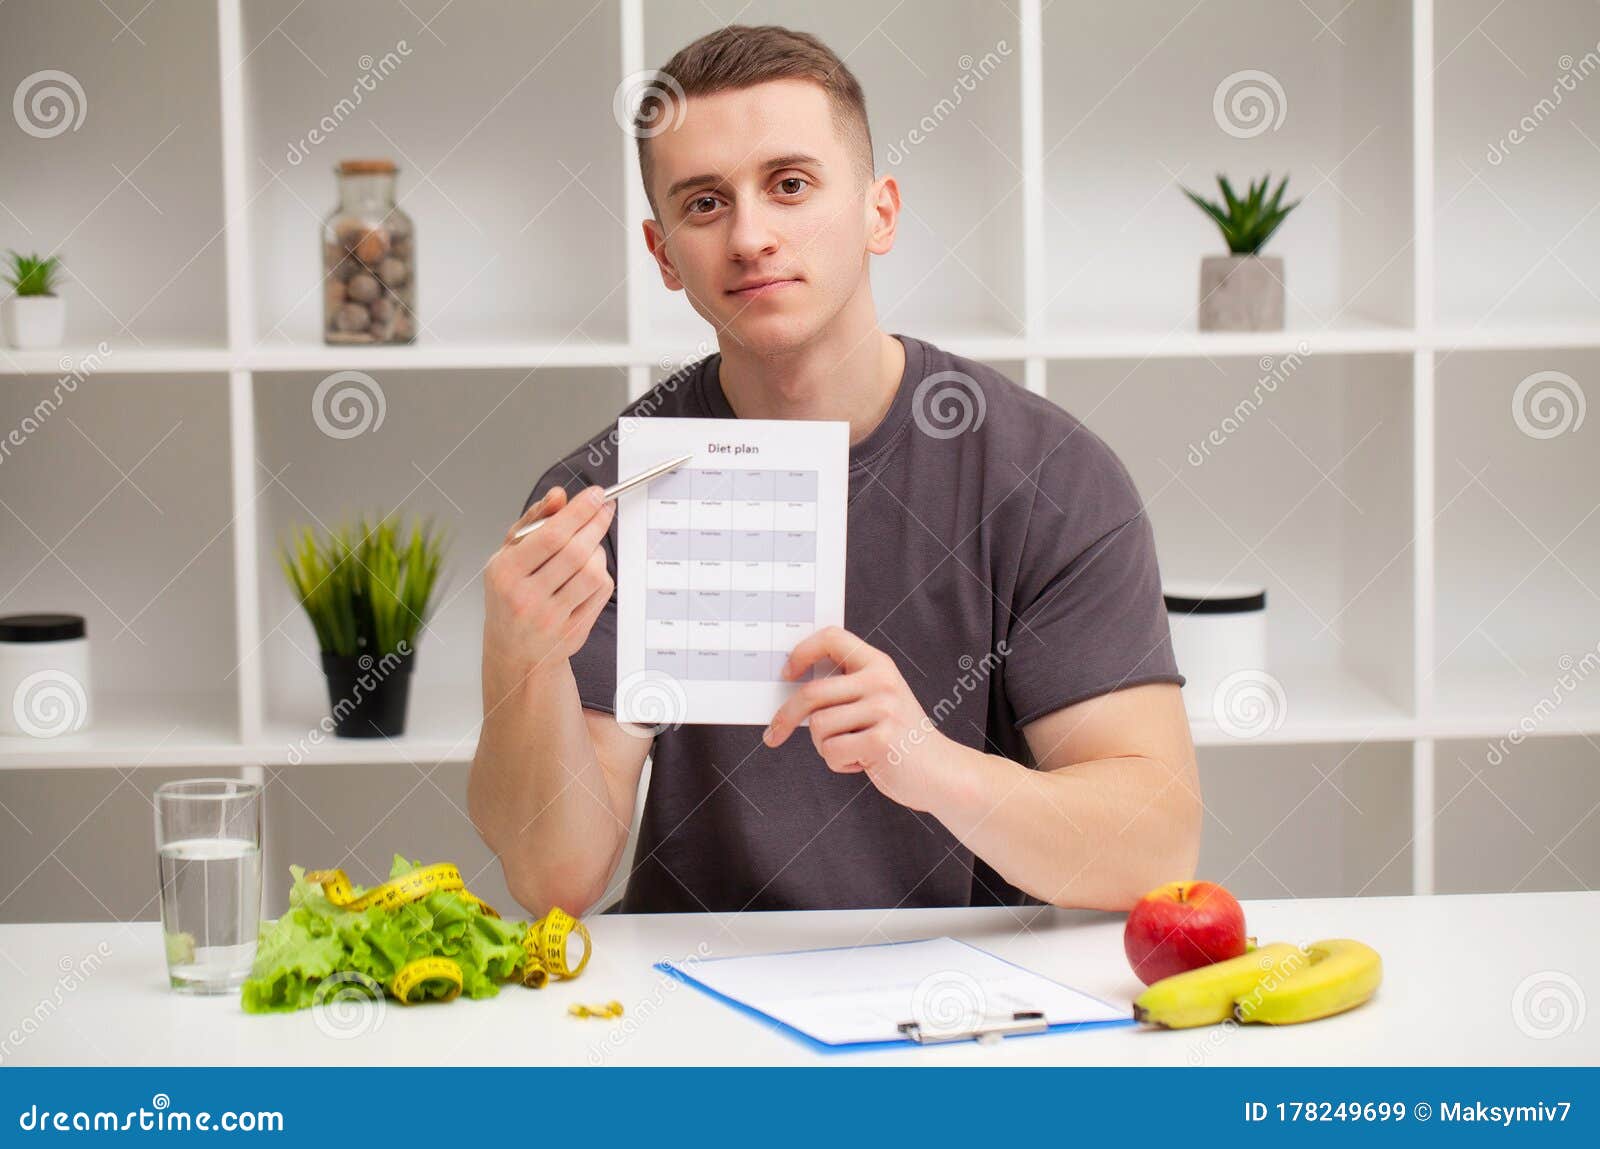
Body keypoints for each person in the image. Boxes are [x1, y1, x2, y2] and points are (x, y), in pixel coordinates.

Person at [468, 24, 1199, 916]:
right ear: (665, 255)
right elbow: (555, 880)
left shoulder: (1048, 474)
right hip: (691, 992)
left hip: (971, 997)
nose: (751, 237)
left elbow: (1156, 846)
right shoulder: (607, 493)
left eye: (790, 185)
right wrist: (521, 659)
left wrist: (928, 765)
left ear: (878, 212)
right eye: (704, 203)